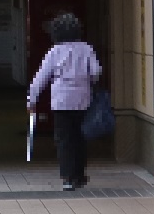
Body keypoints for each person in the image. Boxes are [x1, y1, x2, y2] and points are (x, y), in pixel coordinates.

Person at [27, 11, 103, 190]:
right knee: (80, 138)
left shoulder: (54, 51)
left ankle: (68, 178)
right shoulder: (86, 48)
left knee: (64, 139)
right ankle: (79, 175)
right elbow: (96, 72)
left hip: (61, 101)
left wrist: (31, 100)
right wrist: (88, 81)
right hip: (82, 100)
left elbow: (41, 77)